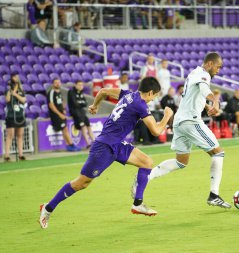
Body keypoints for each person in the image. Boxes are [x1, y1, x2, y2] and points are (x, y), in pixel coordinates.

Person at [39, 77, 174, 228]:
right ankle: (48, 208)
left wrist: (95, 106)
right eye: (155, 96)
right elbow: (156, 131)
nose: (153, 99)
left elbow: (103, 92)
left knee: (147, 162)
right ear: (150, 93)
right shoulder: (140, 105)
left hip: (117, 143)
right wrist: (167, 116)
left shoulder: (128, 94)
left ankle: (138, 203)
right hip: (104, 147)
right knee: (81, 183)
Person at [132, 52, 232, 209]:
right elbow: (205, 89)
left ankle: (145, 178)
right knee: (218, 153)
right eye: (218, 67)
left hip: (179, 121)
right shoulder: (203, 75)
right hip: (190, 121)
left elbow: (192, 96)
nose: (219, 70)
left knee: (181, 161)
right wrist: (215, 101)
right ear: (210, 64)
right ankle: (214, 195)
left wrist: (205, 106)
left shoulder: (194, 73)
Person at [47, 78, 81, 152]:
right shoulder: (51, 92)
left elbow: (62, 102)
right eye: (56, 82)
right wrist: (59, 114)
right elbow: (51, 105)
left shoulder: (59, 92)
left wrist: (64, 110)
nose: (58, 84)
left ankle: (69, 145)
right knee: (65, 129)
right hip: (56, 115)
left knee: (64, 129)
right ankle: (71, 145)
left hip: (61, 114)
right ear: (53, 84)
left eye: (59, 82)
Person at [4, 73, 27, 162]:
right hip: (11, 115)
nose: (17, 78)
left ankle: (21, 155)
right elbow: (7, 100)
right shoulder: (8, 90)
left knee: (20, 135)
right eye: (15, 77)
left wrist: (16, 94)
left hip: (20, 115)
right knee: (10, 135)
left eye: (17, 76)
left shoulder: (21, 90)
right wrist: (11, 92)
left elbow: (23, 100)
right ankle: (7, 156)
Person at [67, 80, 95, 149]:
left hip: (82, 113)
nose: (80, 86)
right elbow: (75, 104)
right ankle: (88, 144)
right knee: (83, 127)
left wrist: (80, 103)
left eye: (82, 85)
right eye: (79, 85)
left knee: (88, 126)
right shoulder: (71, 92)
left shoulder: (81, 93)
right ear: (75, 85)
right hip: (76, 113)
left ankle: (94, 142)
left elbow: (85, 103)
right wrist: (80, 103)